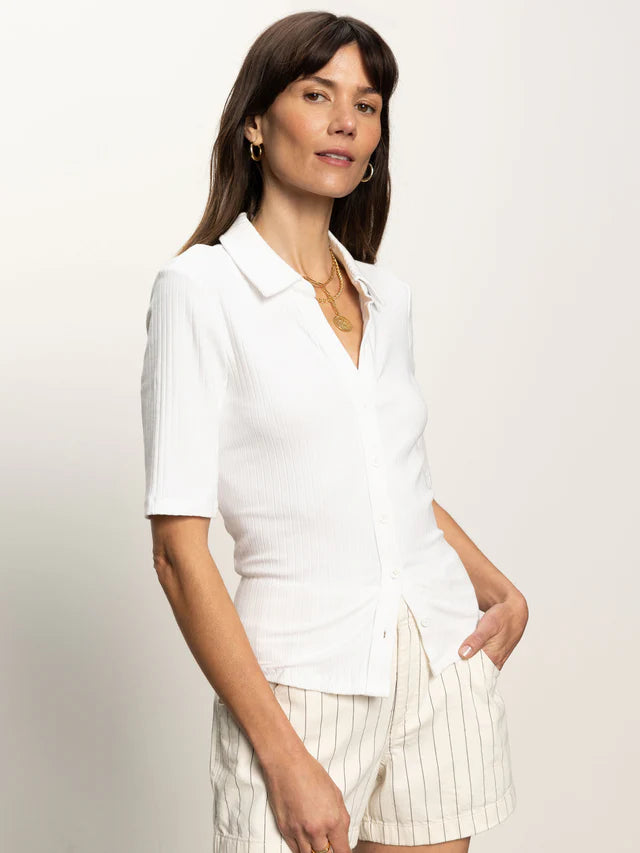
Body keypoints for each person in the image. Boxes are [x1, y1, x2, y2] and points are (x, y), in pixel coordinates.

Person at [140, 11, 528, 853]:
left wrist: (497, 588)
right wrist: (283, 756)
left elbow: (389, 481)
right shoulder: (200, 290)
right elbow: (177, 552)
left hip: (436, 662)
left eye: (368, 103)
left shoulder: (386, 298)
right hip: (301, 689)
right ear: (255, 122)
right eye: (317, 95)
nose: (346, 120)